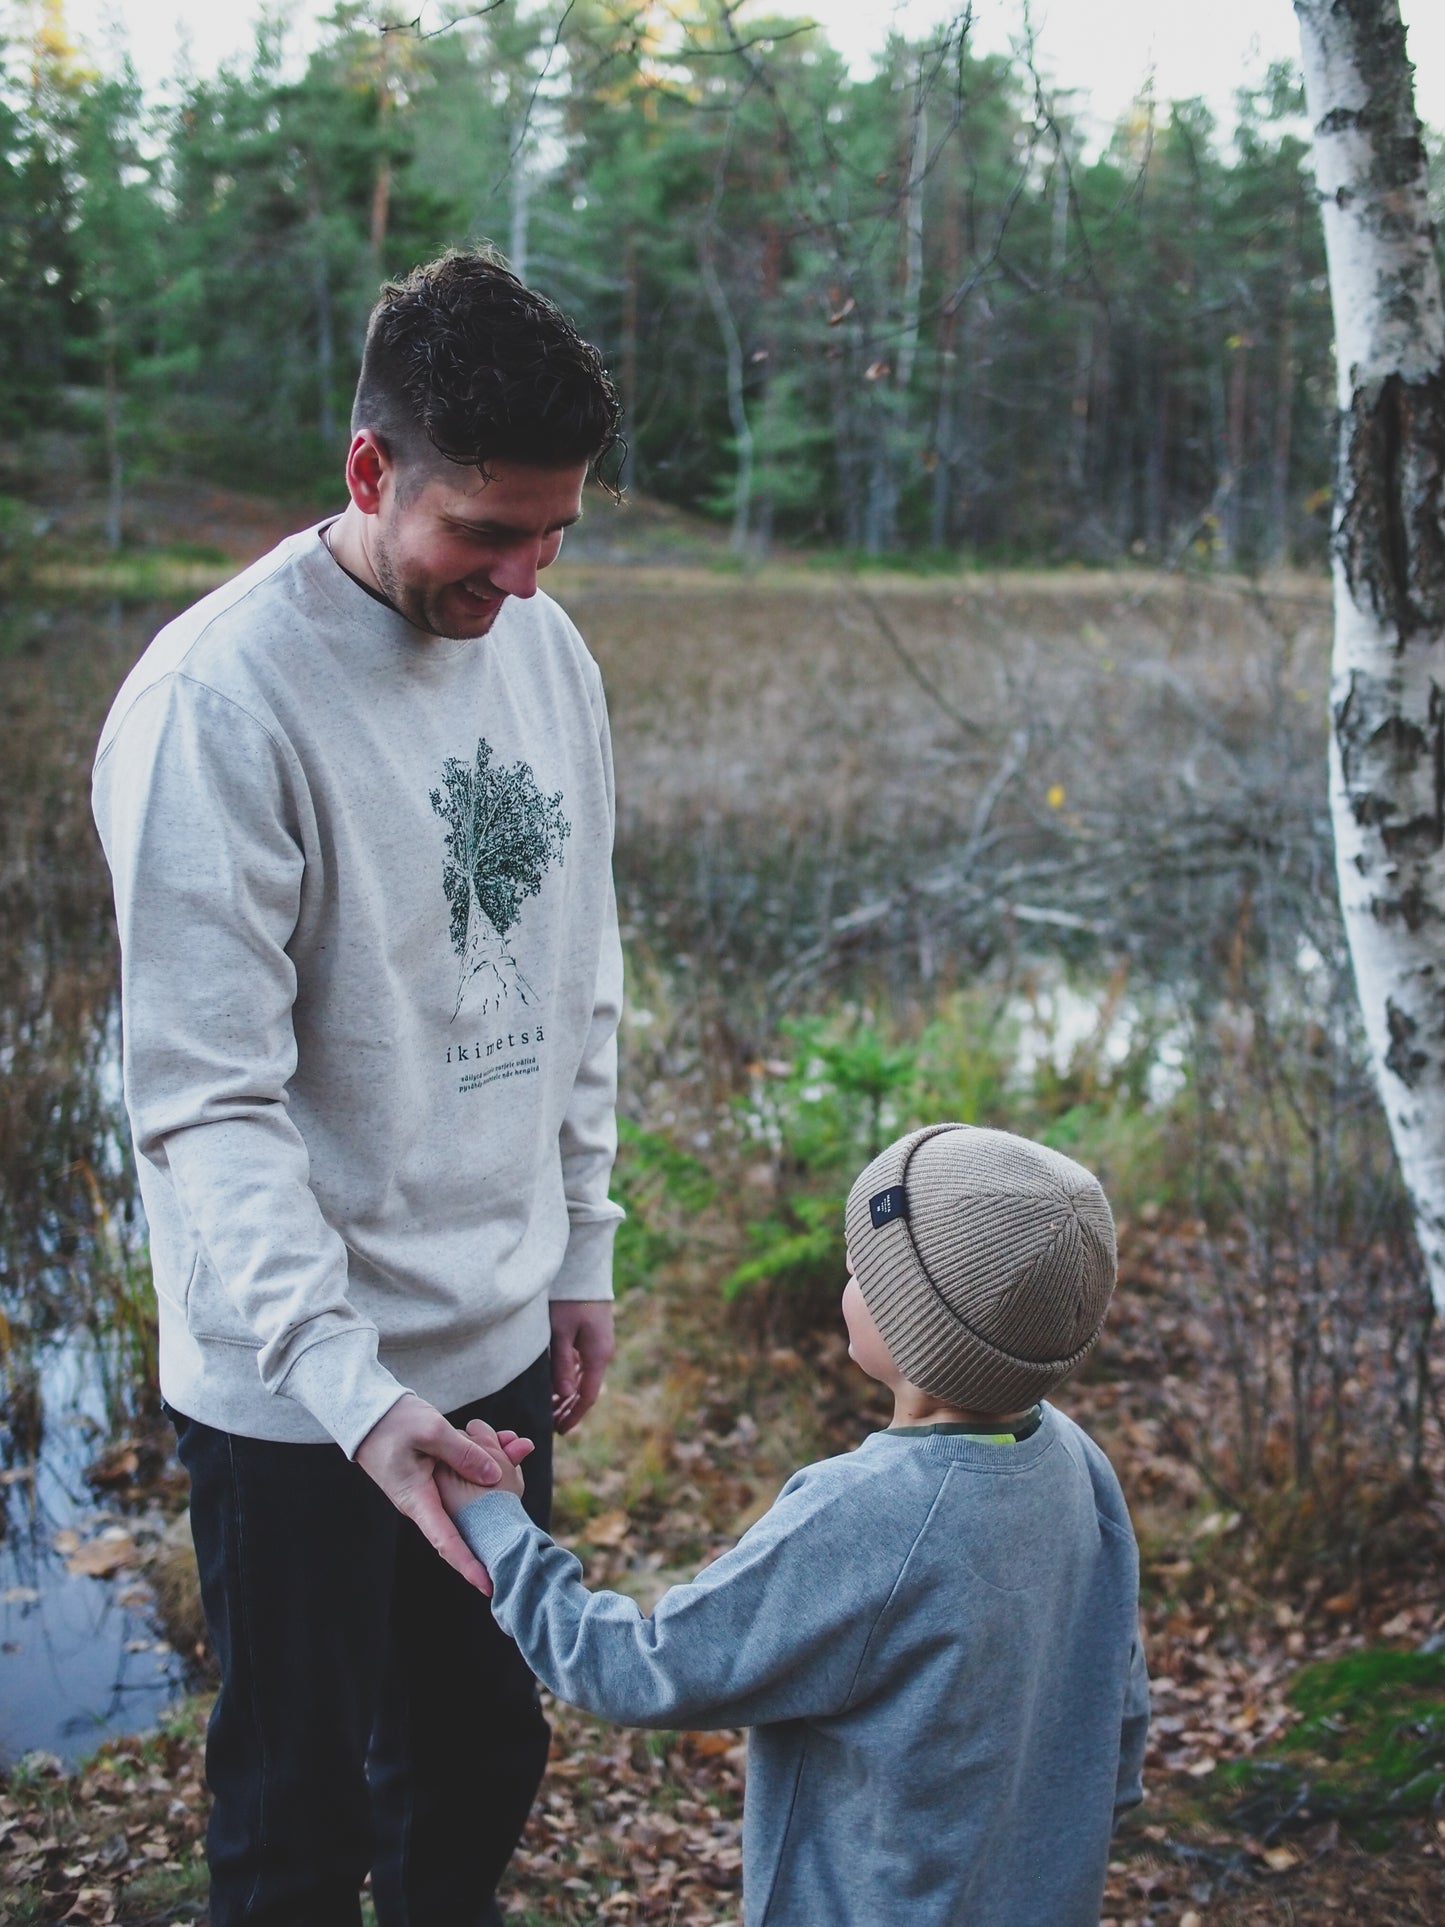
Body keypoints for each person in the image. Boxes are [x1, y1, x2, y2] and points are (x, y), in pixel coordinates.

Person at [91, 251, 626, 1927]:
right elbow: (204, 1105)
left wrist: (580, 1243)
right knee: (294, 1821)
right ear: (370, 471)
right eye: (488, 533)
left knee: (479, 1759)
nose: (528, 579)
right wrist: (349, 1389)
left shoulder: (551, 659)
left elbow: (575, 965)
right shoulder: (217, 702)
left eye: (556, 533)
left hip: (492, 1342)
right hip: (294, 1391)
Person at [441, 1123, 1151, 1927]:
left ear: (915, 1331)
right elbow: (1116, 1701)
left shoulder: (867, 1514)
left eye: (865, 1267)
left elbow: (640, 1667)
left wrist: (496, 1522)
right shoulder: (1073, 1459)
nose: (847, 1267)